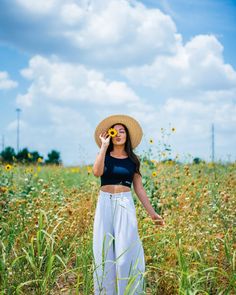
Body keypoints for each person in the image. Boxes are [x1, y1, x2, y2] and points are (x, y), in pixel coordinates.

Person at [92, 114, 165, 295]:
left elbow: (139, 189)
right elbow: (96, 172)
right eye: (114, 131)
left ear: (127, 136)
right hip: (104, 204)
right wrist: (103, 146)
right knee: (104, 253)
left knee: (125, 255)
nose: (118, 134)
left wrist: (152, 213)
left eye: (122, 131)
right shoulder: (104, 155)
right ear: (109, 134)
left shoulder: (133, 160)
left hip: (125, 203)